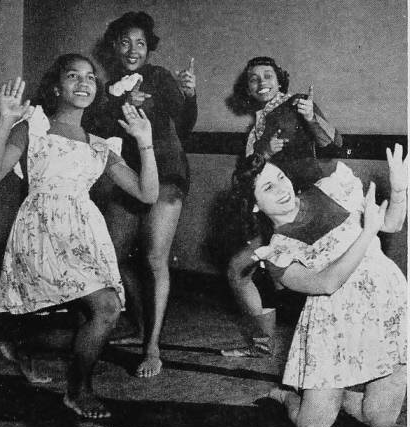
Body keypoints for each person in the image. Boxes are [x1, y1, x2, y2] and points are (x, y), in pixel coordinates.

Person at [0, 53, 158, 419]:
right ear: (56, 87)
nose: (83, 83)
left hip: (84, 234)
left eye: (90, 77)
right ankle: (78, 390)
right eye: (73, 75)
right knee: (106, 308)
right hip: (42, 232)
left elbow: (147, 194)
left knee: (99, 317)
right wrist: (5, 121)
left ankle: (22, 346)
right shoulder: (33, 127)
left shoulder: (100, 145)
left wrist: (145, 142)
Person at [231, 146, 407, 427]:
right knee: (313, 423)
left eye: (280, 177)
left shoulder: (332, 189)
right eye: (268, 187)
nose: (281, 188)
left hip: (386, 303)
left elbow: (391, 223)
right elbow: (328, 283)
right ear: (255, 205)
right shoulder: (277, 252)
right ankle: (287, 396)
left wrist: (398, 191)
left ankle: (343, 395)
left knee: (380, 418)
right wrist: (367, 233)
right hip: (333, 323)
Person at [90, 11, 197, 378]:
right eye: (125, 42)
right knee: (114, 256)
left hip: (166, 172)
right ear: (114, 48)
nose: (133, 49)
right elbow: (96, 128)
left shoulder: (160, 77)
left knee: (154, 258)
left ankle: (152, 346)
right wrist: (119, 104)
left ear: (148, 48)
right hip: (129, 177)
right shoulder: (108, 88)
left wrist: (190, 96)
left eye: (140, 42)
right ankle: (139, 322)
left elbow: (184, 124)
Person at [222, 56, 342, 357]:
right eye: (253, 78)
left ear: (279, 80)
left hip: (315, 210)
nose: (261, 82)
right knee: (240, 269)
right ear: (247, 88)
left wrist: (311, 118)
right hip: (277, 216)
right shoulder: (256, 127)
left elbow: (334, 143)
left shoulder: (297, 103)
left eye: (268, 75)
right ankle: (262, 343)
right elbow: (247, 176)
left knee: (325, 278)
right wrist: (263, 152)